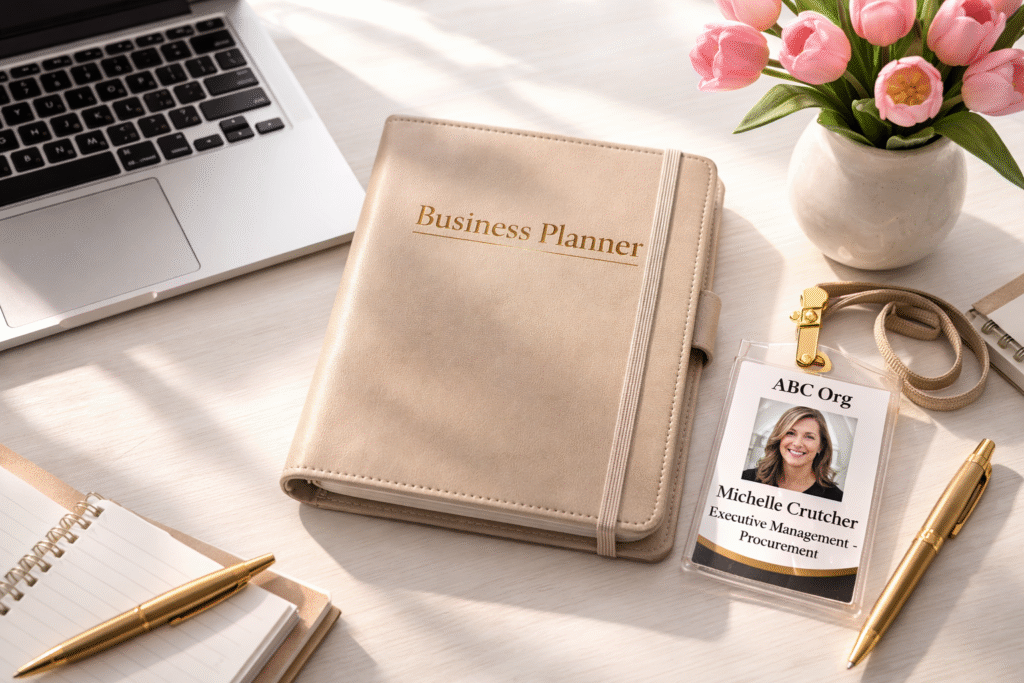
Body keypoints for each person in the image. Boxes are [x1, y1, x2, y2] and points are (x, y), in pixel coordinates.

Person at [742, 406, 843, 502]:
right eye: (790, 433)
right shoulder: (747, 479)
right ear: (779, 438)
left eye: (809, 437)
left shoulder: (835, 498)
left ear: (821, 446)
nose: (797, 443)